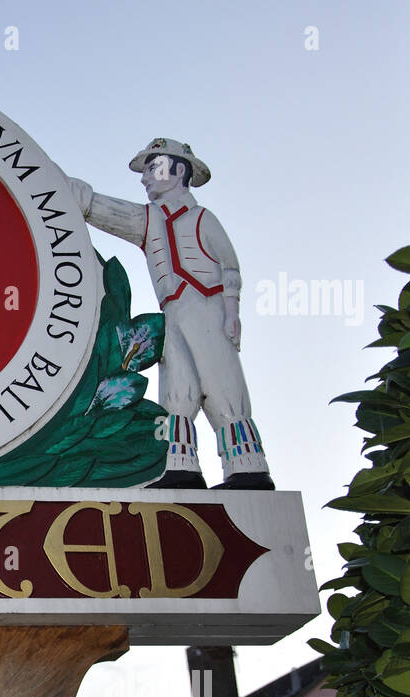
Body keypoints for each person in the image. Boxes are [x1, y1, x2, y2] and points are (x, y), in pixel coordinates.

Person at [67, 138, 273, 490]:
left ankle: (247, 467)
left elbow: (229, 267)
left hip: (206, 307)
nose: (145, 179)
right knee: (179, 391)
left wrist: (231, 311)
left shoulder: (202, 219)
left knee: (222, 385)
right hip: (173, 313)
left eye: (152, 168)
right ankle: (179, 467)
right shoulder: (150, 220)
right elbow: (111, 211)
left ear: (178, 170)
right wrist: (72, 192)